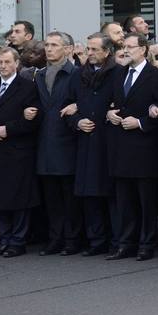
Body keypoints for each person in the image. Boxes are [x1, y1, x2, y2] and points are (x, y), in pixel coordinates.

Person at [106, 34, 158, 261]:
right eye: (124, 47)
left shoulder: (157, 76)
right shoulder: (118, 73)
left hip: (144, 148)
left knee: (146, 201)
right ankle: (125, 243)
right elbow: (111, 101)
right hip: (121, 147)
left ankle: (146, 244)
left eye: (130, 47)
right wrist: (109, 112)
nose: (125, 51)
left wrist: (141, 122)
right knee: (125, 200)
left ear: (143, 49)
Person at [0, 46, 40, 257]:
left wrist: (8, 129)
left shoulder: (27, 87)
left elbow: (33, 120)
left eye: (7, 62)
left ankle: (18, 240)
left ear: (16, 64)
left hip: (17, 150)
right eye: (0, 63)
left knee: (19, 198)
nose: (3, 66)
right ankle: (4, 238)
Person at [67, 34, 116, 256]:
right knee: (89, 194)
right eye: (88, 49)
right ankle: (95, 240)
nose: (90, 53)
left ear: (107, 52)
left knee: (111, 195)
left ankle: (115, 239)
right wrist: (77, 121)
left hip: (109, 141)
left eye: (95, 49)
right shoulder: (78, 75)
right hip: (85, 141)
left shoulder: (117, 73)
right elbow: (66, 108)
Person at [34, 31, 80, 255]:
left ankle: (72, 238)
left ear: (68, 49)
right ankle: (55, 238)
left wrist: (78, 107)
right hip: (45, 144)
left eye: (54, 45)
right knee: (51, 197)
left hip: (68, 142)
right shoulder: (39, 75)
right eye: (47, 45)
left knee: (69, 196)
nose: (49, 49)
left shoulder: (76, 74)